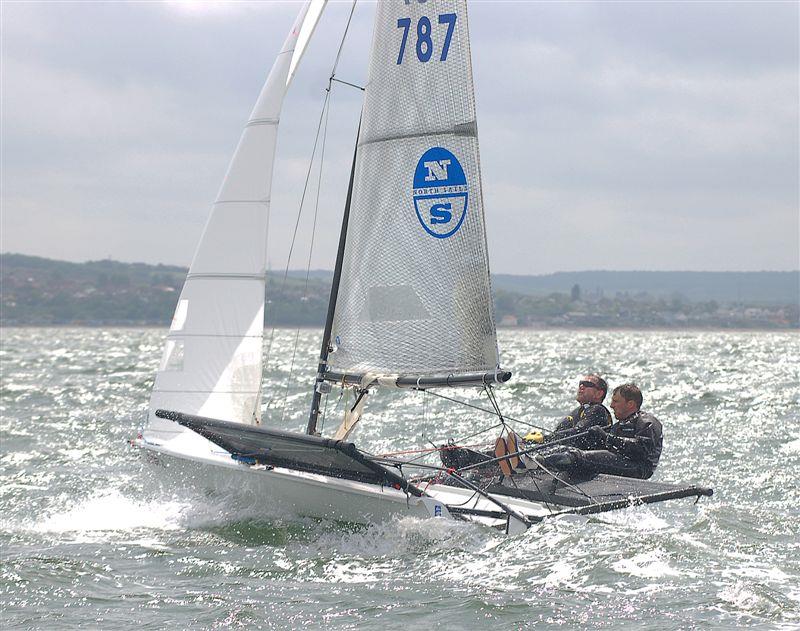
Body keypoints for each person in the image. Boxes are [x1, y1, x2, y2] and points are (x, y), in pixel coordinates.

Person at [538, 383, 663, 479]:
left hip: (638, 468)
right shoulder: (619, 425)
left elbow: (642, 449)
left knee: (577, 456)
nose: (612, 405)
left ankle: (537, 464)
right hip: (621, 461)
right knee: (568, 450)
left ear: (630, 404)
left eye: (616, 401)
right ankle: (536, 462)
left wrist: (607, 437)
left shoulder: (647, 421)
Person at [529, 374, 612, 449]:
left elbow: (578, 432)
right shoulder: (579, 411)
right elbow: (558, 434)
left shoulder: (598, 410)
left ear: (599, 393)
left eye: (587, 384)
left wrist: (544, 438)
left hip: (582, 460)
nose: (581, 386)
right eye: (580, 383)